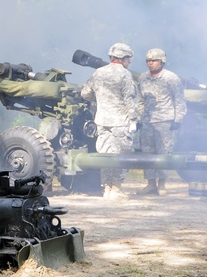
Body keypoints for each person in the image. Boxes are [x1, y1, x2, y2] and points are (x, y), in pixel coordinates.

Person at [80, 43, 142, 200]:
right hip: (120, 122)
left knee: (105, 156)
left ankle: (107, 189)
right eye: (128, 59)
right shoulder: (125, 74)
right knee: (120, 156)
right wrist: (134, 119)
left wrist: (101, 100)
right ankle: (116, 188)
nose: (129, 62)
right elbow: (129, 98)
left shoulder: (98, 73)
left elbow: (85, 93)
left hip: (101, 121)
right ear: (122, 58)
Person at [136, 48, 187, 196]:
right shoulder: (143, 78)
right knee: (147, 153)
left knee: (163, 153)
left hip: (165, 121)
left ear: (162, 61)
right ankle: (150, 184)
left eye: (154, 60)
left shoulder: (171, 78)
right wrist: (140, 117)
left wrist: (178, 119)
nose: (150, 63)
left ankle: (162, 184)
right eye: (148, 61)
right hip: (147, 121)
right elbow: (140, 100)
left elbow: (179, 99)